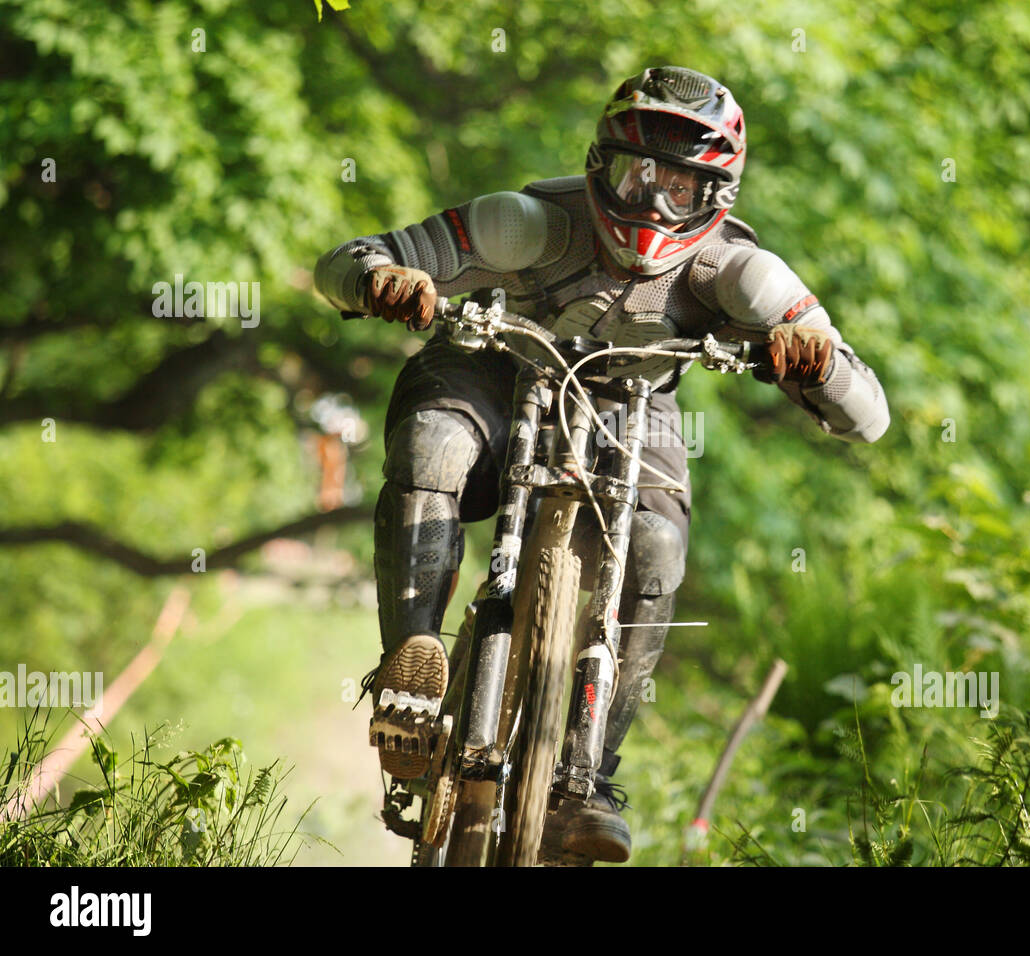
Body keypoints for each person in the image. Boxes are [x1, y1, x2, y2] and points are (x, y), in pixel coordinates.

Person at [313, 66, 891, 863]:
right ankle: (412, 674)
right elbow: (346, 260)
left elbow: (869, 414)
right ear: (598, 164)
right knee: (431, 448)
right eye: (637, 173)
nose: (653, 202)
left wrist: (811, 362)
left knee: (659, 548)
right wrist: (385, 279)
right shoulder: (524, 223)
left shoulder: (741, 273)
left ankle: (587, 779)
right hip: (490, 364)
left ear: (717, 197)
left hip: (631, 401)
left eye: (681, 188)